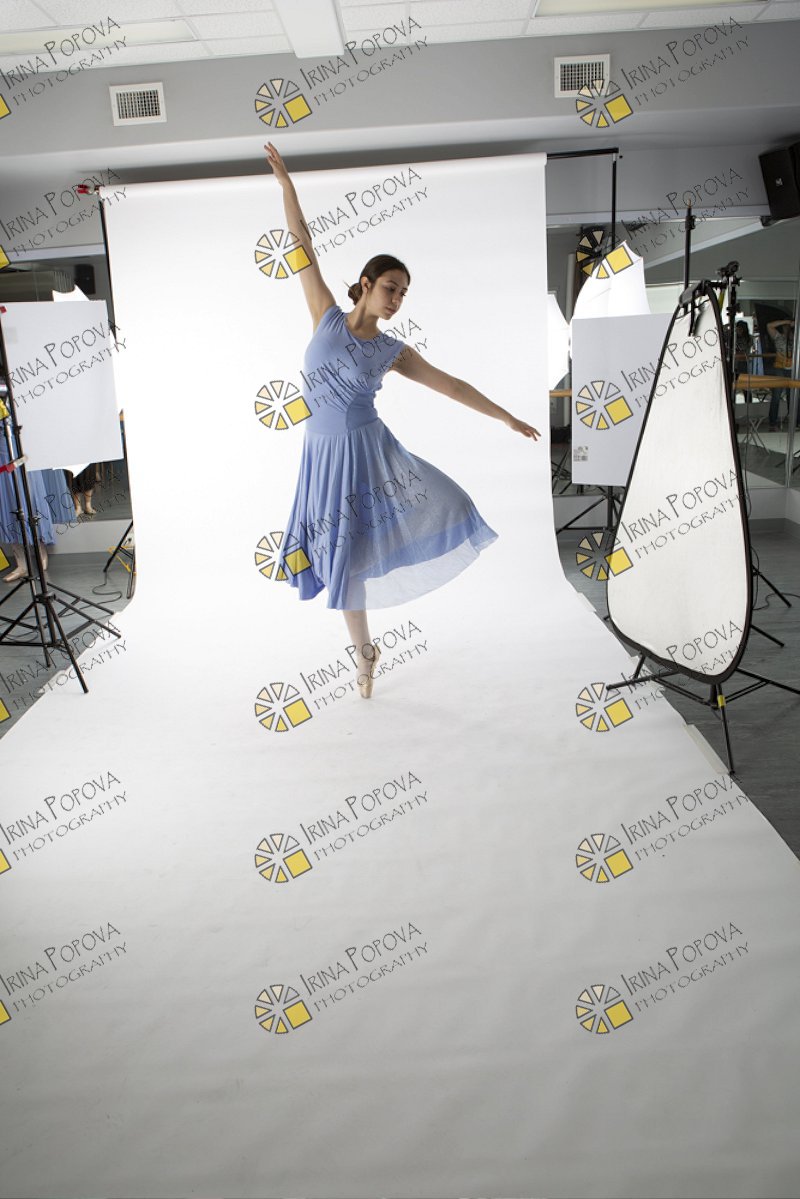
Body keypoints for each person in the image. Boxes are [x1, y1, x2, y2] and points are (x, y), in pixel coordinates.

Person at [264, 142, 540, 698]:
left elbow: (452, 385)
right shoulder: (325, 316)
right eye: (391, 288)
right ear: (366, 284)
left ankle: (363, 657)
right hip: (320, 453)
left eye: (404, 294)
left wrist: (508, 417)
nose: (397, 299)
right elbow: (302, 243)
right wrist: (287, 185)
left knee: (350, 555)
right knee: (335, 555)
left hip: (366, 453)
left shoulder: (392, 351)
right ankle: (366, 651)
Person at [766, 317, 796, 431]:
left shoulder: (797, 338)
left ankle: (795, 421)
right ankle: (773, 422)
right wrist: (786, 322)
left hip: (793, 369)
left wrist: (795, 325)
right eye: (785, 327)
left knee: (793, 396)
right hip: (780, 368)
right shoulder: (778, 337)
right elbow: (769, 325)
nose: (787, 329)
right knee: (776, 396)